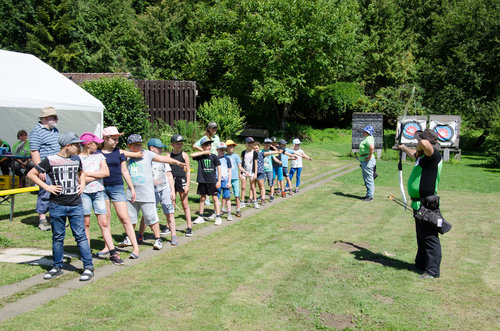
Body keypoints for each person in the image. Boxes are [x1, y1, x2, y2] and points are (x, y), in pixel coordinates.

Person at [27, 132, 94, 281]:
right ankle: (57, 266)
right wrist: (47, 187)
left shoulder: (76, 159)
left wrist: (82, 183)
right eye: (76, 145)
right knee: (58, 237)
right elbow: (31, 174)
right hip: (57, 205)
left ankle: (88, 267)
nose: (79, 147)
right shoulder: (50, 160)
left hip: (75, 204)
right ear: (67, 146)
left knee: (80, 236)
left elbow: (81, 173)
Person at [120, 134, 186, 251]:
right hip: (132, 192)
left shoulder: (147, 154)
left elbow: (163, 159)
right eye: (136, 144)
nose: (139, 146)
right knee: (131, 218)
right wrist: (132, 154)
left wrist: (177, 162)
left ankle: (158, 239)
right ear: (129, 146)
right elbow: (116, 151)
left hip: (147, 192)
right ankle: (130, 238)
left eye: (140, 144)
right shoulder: (128, 156)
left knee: (151, 217)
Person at [398, 129, 444, 279]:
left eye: (419, 140)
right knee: (421, 236)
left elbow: (424, 144)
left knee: (430, 238)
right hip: (419, 204)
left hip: (427, 203)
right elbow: (414, 154)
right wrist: (404, 148)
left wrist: (419, 146)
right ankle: (421, 264)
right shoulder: (424, 157)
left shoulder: (434, 155)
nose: (418, 143)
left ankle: (432, 271)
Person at [79, 132, 124, 265]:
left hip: (99, 192)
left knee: (104, 223)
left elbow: (106, 173)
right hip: (84, 193)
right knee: (85, 223)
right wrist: (97, 176)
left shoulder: (99, 156)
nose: (98, 144)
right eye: (95, 143)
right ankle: (85, 252)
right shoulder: (78, 159)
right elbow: (79, 178)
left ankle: (112, 252)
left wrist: (86, 174)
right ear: (88, 144)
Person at [97, 126, 141, 259]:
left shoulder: (119, 153)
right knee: (106, 220)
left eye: (117, 139)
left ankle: (135, 248)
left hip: (117, 187)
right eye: (114, 139)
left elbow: (124, 170)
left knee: (125, 218)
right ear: (105, 138)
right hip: (102, 188)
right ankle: (107, 246)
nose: (116, 141)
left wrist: (131, 187)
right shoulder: (97, 153)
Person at [136, 138, 179, 246]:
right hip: (150, 191)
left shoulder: (163, 160)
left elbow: (169, 175)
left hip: (164, 189)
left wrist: (172, 191)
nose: (161, 150)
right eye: (159, 148)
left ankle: (173, 235)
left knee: (169, 213)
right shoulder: (145, 160)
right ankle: (140, 235)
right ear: (152, 148)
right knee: (147, 214)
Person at [29, 107, 60, 231]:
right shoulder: (37, 131)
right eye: (54, 117)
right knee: (45, 192)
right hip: (45, 168)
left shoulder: (54, 130)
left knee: (56, 191)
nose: (57, 119)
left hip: (56, 167)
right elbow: (34, 151)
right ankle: (42, 219)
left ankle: (54, 217)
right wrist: (40, 169)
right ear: (46, 119)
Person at [191, 137, 222, 225]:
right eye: (207, 145)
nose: (209, 147)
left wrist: (219, 181)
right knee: (202, 198)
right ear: (202, 147)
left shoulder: (214, 156)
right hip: (202, 180)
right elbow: (192, 155)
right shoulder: (200, 156)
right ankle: (200, 216)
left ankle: (218, 217)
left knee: (215, 198)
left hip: (212, 180)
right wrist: (203, 152)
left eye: (210, 145)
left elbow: (219, 169)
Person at [169, 134, 193, 236]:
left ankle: (189, 227)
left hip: (181, 180)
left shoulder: (184, 155)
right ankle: (169, 226)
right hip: (171, 181)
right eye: (178, 144)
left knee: (185, 204)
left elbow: (188, 171)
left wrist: (187, 185)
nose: (180, 145)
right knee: (171, 204)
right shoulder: (169, 155)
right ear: (172, 144)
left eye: (181, 143)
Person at [193, 121, 220, 206]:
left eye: (216, 127)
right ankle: (206, 199)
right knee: (206, 177)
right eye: (213, 128)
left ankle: (215, 197)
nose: (215, 129)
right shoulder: (205, 138)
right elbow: (194, 145)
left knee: (214, 177)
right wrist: (202, 151)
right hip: (206, 158)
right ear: (209, 129)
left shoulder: (217, 137)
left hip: (215, 158)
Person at [255, 140, 280, 205]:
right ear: (263, 145)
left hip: (269, 170)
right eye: (266, 145)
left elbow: (274, 158)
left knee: (271, 183)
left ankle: (271, 195)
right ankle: (261, 196)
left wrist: (278, 161)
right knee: (262, 184)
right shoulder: (260, 152)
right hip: (262, 170)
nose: (267, 147)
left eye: (269, 145)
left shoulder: (270, 152)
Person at [225, 139, 244, 217]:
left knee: (237, 194)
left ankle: (238, 210)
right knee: (226, 195)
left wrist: (244, 172)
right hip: (226, 178)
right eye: (229, 146)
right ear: (226, 148)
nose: (231, 148)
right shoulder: (224, 156)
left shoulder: (236, 156)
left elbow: (240, 166)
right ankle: (223, 209)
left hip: (235, 177)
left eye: (232, 146)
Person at [215, 142, 232, 220]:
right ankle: (216, 212)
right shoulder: (214, 158)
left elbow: (229, 170)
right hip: (217, 181)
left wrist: (229, 182)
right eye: (221, 150)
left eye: (224, 150)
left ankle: (229, 213)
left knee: (227, 197)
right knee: (216, 198)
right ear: (217, 150)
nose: (222, 151)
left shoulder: (227, 159)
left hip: (225, 180)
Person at [359, 126, 376, 201]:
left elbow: (371, 148)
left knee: (368, 178)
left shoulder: (368, 138)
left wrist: (368, 157)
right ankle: (368, 194)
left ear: (367, 132)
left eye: (365, 131)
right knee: (367, 178)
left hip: (367, 161)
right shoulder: (369, 138)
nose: (363, 132)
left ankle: (370, 196)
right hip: (365, 160)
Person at [240, 137, 258, 208]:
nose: (250, 144)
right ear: (246, 144)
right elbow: (241, 163)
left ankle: (255, 201)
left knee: (253, 187)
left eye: (251, 143)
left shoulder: (255, 153)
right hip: (244, 171)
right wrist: (240, 173)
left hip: (252, 172)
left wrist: (255, 173)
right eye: (249, 143)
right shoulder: (243, 152)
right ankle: (242, 201)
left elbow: (256, 164)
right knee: (243, 187)